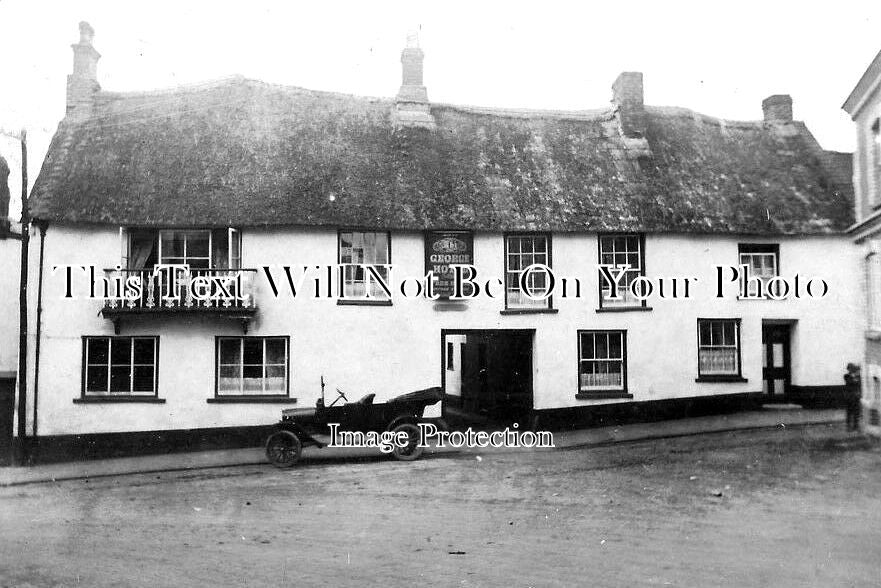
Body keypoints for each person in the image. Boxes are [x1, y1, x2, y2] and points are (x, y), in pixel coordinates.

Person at [844, 363, 861, 432]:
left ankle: (855, 426)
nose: (850, 370)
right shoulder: (846, 376)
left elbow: (858, 383)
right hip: (849, 397)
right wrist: (854, 377)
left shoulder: (857, 376)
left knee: (856, 412)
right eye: (850, 368)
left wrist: (855, 377)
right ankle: (848, 427)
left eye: (852, 368)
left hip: (856, 397)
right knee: (849, 413)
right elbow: (850, 382)